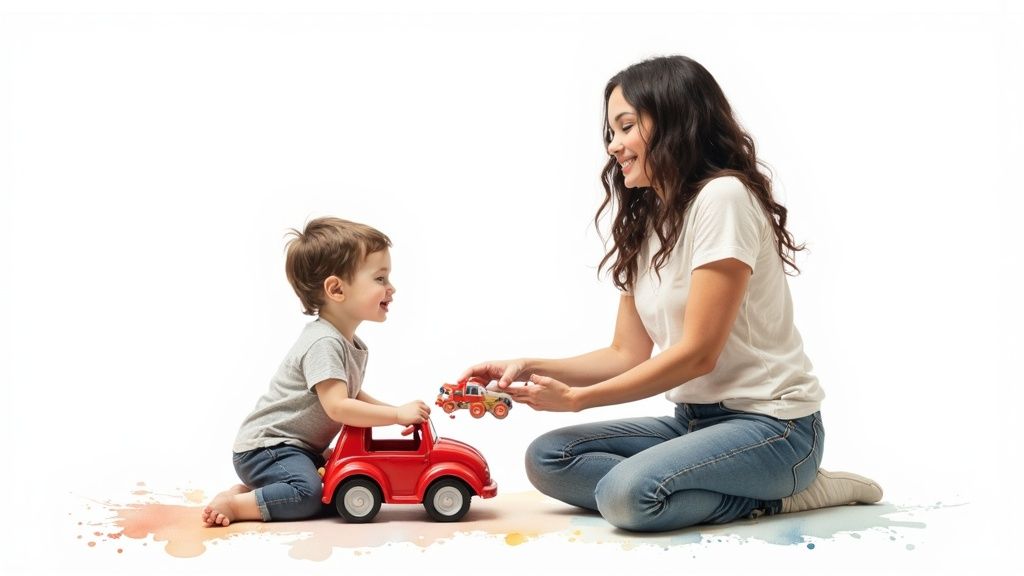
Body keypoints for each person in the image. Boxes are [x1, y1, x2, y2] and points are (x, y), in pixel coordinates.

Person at [462, 55, 882, 533]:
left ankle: (788, 493)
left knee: (626, 497)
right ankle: (720, 486)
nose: (614, 145)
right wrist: (531, 366)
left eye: (625, 127)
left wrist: (579, 399)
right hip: (693, 423)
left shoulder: (723, 198)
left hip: (774, 428)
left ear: (676, 122)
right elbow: (626, 353)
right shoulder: (645, 224)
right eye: (610, 131)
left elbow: (697, 355)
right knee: (549, 457)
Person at [203, 217, 431, 527]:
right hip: (267, 448)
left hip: (298, 450)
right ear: (336, 289)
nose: (391, 288)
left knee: (338, 492)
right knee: (310, 495)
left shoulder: (348, 342)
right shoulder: (323, 342)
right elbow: (338, 406)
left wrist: (396, 412)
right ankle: (236, 504)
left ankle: (251, 492)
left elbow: (352, 395)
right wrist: (395, 416)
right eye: (380, 278)